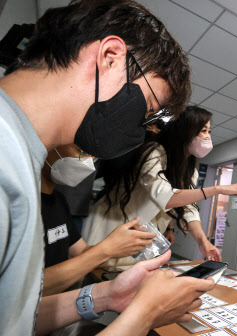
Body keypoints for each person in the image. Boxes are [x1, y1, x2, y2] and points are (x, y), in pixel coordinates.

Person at [0, 0, 215, 334]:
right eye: (148, 109)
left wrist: (106, 297)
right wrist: (143, 316)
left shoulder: (20, 156)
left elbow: (12, 312)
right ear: (110, 58)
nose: (142, 128)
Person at [83, 105, 237, 265]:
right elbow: (166, 196)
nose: (208, 136)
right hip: (110, 225)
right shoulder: (154, 153)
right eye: (203, 131)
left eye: (209, 131)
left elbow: (188, 209)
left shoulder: (189, 169)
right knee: (91, 274)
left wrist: (204, 242)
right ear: (186, 131)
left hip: (135, 236)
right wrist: (217, 189)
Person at [41, 144, 157, 296]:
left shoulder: (58, 200)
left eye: (92, 156)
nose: (87, 161)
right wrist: (107, 249)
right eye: (80, 151)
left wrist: (119, 244)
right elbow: (29, 287)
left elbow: (80, 251)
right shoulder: (22, 207)